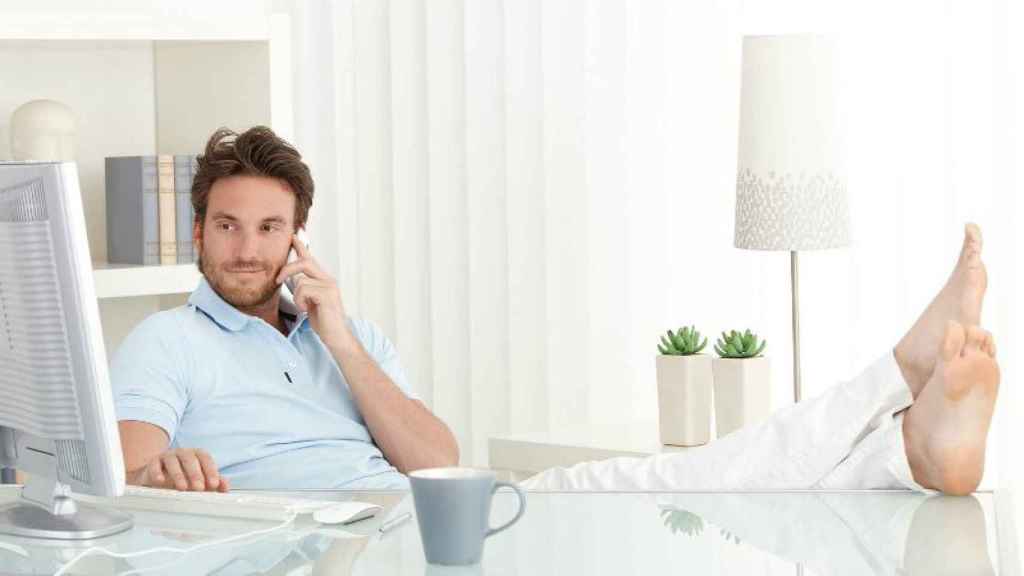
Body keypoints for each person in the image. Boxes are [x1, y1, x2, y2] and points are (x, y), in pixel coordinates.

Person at [522, 223, 999, 495]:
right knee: (682, 484)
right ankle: (907, 418)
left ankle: (913, 439)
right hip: (505, 514)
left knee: (681, 482)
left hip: (505, 510)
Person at [112, 126, 458, 491]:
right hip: (294, 540)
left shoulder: (357, 339)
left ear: (298, 237)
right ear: (199, 234)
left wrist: (339, 340)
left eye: (268, 228)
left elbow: (437, 466)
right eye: (228, 226)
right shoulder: (166, 338)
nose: (247, 252)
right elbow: (124, 480)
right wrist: (156, 477)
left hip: (403, 526)